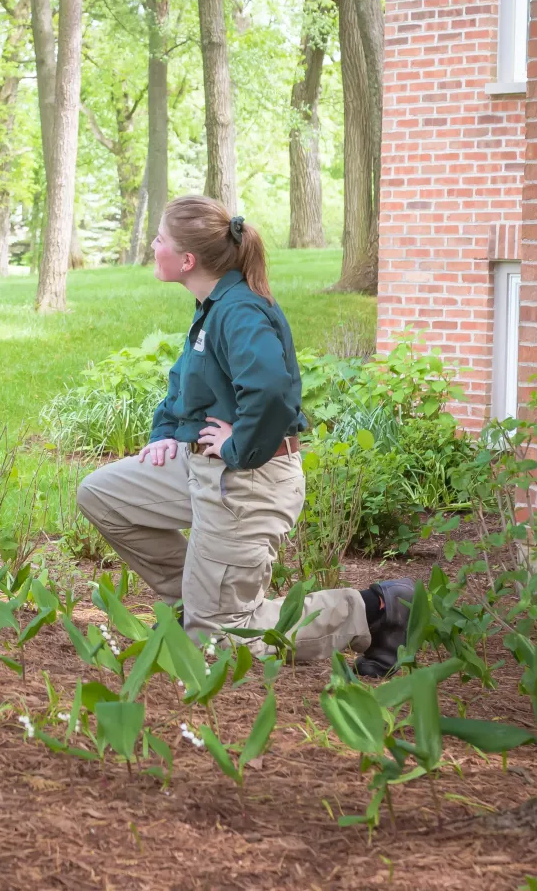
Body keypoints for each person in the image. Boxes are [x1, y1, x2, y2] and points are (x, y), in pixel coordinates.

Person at [76, 195, 411, 677]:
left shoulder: (240, 312)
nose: (153, 245)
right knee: (102, 494)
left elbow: (272, 391)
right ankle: (193, 604)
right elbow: (184, 382)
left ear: (187, 260)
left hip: (248, 478)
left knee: (221, 646)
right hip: (199, 468)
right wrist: (167, 431)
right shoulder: (210, 306)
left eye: (160, 239)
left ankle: (376, 610)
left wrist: (238, 444)